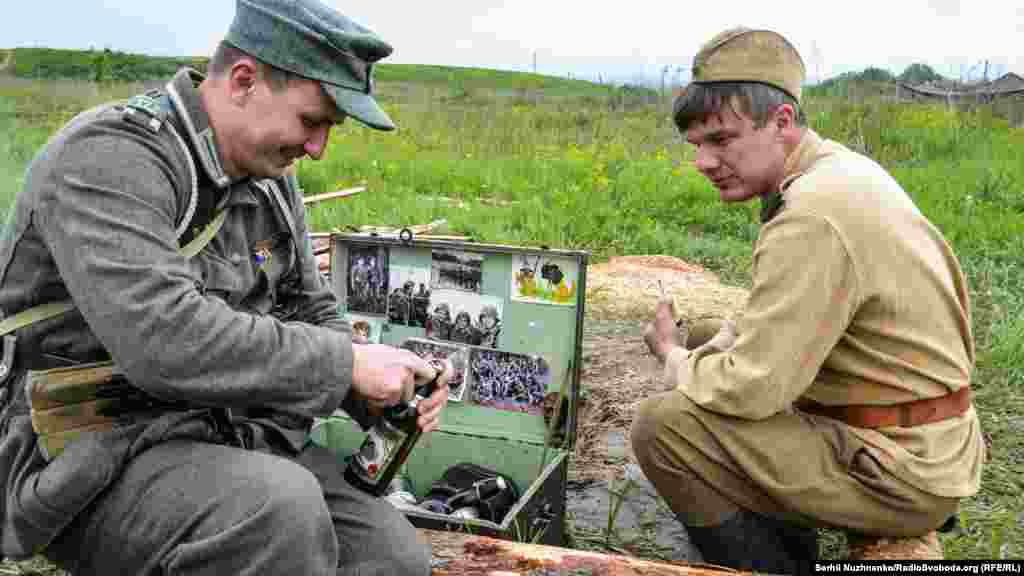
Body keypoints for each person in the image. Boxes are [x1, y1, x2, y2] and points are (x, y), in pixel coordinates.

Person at [0, 1, 450, 574]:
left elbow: (312, 309)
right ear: (243, 81)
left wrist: (372, 391)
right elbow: (165, 341)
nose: (317, 149)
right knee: (273, 511)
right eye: (313, 121)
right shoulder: (107, 160)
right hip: (88, 450)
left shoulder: (268, 180)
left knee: (390, 555)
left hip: (224, 433)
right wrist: (344, 365)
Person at [630, 27, 985, 573]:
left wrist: (676, 361)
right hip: (924, 435)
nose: (703, 161)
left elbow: (753, 389)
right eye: (696, 144)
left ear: (782, 123)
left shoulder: (813, 217)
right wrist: (709, 343)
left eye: (721, 140)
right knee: (705, 335)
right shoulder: (835, 170)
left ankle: (778, 565)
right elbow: (763, 318)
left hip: (901, 469)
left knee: (664, 426)